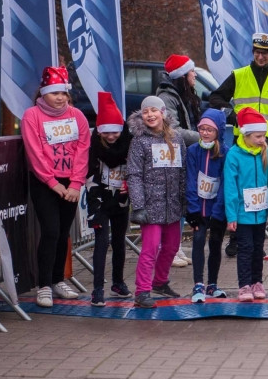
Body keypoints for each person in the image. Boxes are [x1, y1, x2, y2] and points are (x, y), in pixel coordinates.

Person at [209, 33, 268, 258]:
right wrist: (235, 116)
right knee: (242, 188)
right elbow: (215, 98)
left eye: (265, 53)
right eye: (257, 52)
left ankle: (258, 237)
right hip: (243, 142)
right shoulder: (239, 75)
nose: (260, 56)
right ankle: (236, 238)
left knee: (263, 189)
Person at [20, 66, 91, 308]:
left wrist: (75, 183)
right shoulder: (32, 116)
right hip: (44, 182)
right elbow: (34, 151)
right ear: (43, 93)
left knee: (63, 233)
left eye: (63, 93)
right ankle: (44, 285)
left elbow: (83, 150)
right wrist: (52, 183)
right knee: (50, 231)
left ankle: (59, 279)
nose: (60, 97)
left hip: (70, 183)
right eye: (54, 93)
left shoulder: (77, 116)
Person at [126, 96, 187, 308]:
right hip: (151, 206)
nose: (150, 115)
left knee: (171, 247)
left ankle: (160, 282)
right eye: (145, 112)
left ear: (162, 112)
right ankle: (142, 291)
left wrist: (184, 199)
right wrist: (139, 205)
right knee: (150, 249)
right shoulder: (139, 141)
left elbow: (183, 171)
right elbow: (133, 175)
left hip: (173, 205)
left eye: (154, 110)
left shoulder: (177, 138)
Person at [85, 92, 132, 307]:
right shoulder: (94, 146)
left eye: (115, 132)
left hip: (121, 201)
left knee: (119, 242)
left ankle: (118, 282)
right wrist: (94, 208)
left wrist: (130, 186)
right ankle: (97, 288)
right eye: (106, 133)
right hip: (101, 202)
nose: (111, 136)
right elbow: (91, 177)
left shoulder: (129, 142)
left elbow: (135, 170)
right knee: (102, 243)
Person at [159, 54, 202, 268]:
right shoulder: (168, 97)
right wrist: (202, 137)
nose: (195, 74)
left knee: (181, 202)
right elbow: (173, 130)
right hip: (173, 156)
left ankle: (174, 246)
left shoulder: (184, 93)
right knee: (174, 203)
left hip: (184, 153)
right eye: (191, 71)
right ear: (182, 75)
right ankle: (167, 248)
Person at [224, 108, 268, 302]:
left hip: (260, 213)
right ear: (246, 134)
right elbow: (230, 187)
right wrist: (232, 215)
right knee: (245, 249)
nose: (262, 140)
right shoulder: (234, 155)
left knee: (258, 248)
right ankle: (244, 285)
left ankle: (257, 282)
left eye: (264, 136)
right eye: (258, 136)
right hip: (242, 213)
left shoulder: (264, 153)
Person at [185, 108, 229, 303]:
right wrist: (193, 209)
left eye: (209, 130)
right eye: (202, 129)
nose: (204, 133)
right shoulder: (193, 151)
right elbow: (190, 181)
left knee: (216, 244)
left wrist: (219, 209)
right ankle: (198, 284)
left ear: (218, 132)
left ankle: (212, 284)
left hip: (217, 208)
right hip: (199, 209)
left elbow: (225, 182)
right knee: (198, 241)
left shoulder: (225, 153)